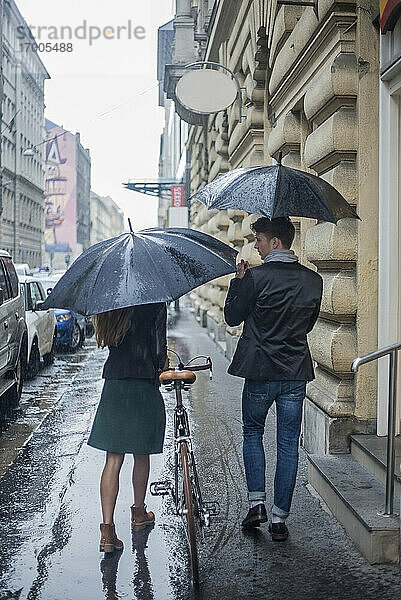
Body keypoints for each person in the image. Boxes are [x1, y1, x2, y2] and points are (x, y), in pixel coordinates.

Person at [224, 217, 322, 540]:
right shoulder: (313, 281)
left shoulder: (254, 278)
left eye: (260, 240)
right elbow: (307, 325)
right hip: (294, 373)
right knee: (287, 444)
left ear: (276, 242)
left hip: (261, 371)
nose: (256, 246)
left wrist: (238, 283)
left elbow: (232, 317)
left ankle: (257, 504)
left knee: (252, 432)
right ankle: (279, 519)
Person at [88, 302, 168, 553]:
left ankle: (107, 532)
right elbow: (158, 349)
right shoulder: (154, 303)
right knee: (141, 453)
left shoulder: (110, 303)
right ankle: (138, 514)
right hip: (143, 380)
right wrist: (159, 366)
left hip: (116, 382)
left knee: (113, 459)